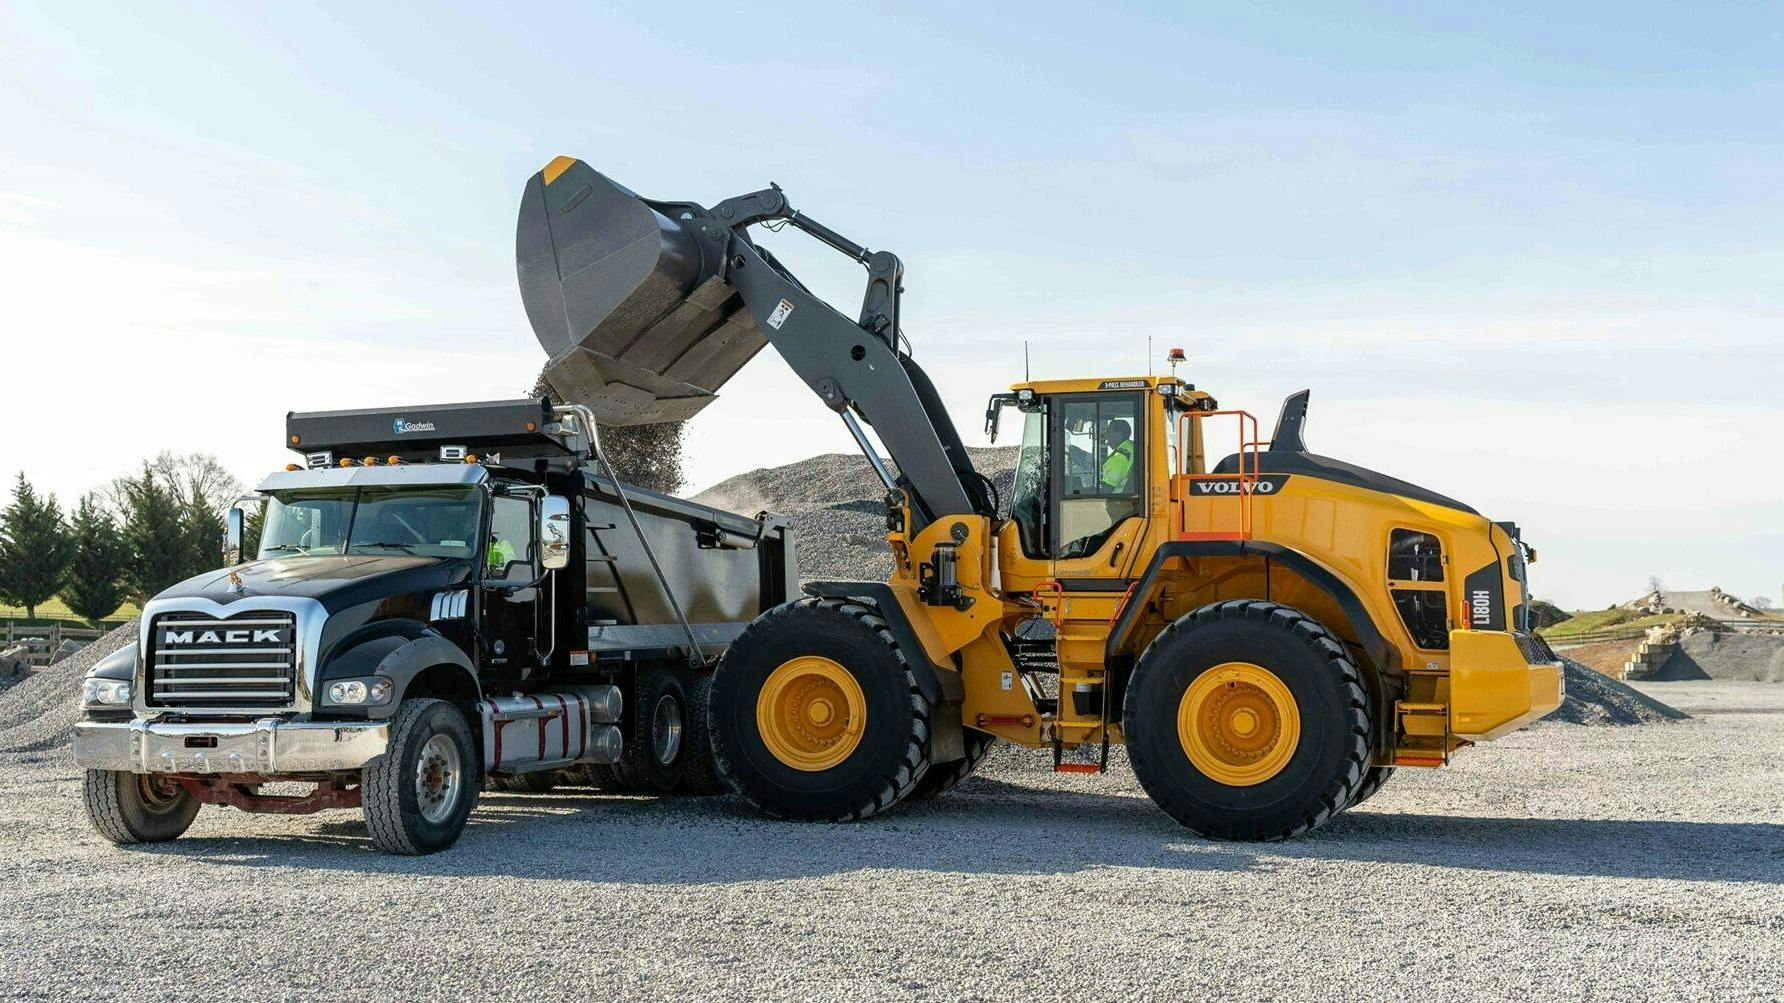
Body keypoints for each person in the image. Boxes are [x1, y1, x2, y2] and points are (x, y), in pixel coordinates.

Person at [1100, 419, 1135, 492]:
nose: (1106, 435)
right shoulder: (1130, 447)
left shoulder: (1121, 454)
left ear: (1119, 435)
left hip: (1115, 496)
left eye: (1109, 432)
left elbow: (1108, 485)